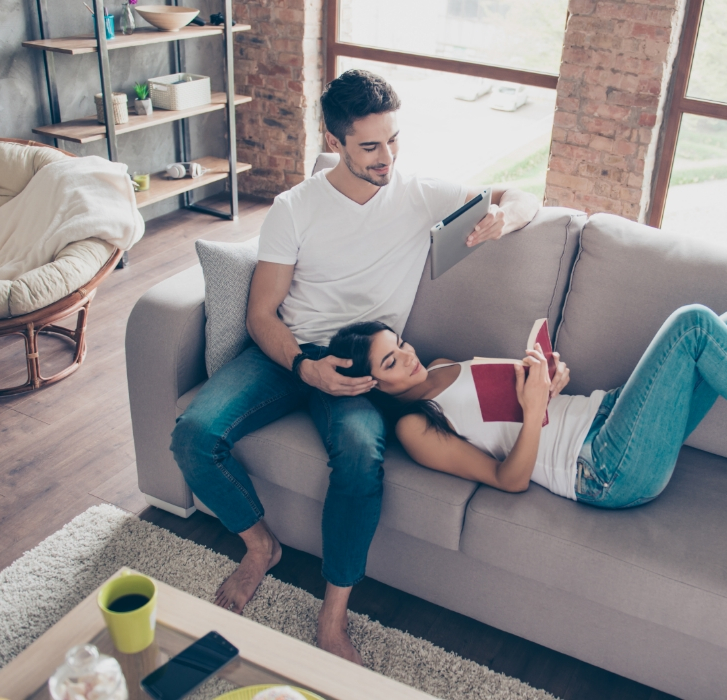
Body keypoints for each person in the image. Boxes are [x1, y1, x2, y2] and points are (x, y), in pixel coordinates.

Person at [169, 69, 540, 662]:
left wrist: (506, 218)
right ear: (334, 140)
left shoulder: (419, 194)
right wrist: (303, 366)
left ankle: (333, 614)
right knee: (192, 435)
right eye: (370, 145)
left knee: (361, 457)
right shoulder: (295, 208)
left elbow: (520, 193)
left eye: (394, 140)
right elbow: (262, 315)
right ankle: (260, 545)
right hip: (288, 354)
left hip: (365, 367)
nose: (386, 157)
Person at [325, 306, 727, 507]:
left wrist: (546, 385)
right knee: (696, 322)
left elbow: (518, 402)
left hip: (605, 415)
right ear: (370, 385)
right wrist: (533, 413)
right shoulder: (414, 427)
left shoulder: (438, 367)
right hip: (602, 470)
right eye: (391, 363)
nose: (408, 359)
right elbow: (510, 478)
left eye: (401, 345)